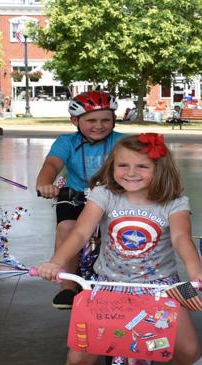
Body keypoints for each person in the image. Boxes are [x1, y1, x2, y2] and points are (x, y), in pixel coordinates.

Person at [32, 133, 202, 365]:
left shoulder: (174, 202)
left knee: (189, 353)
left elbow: (181, 239)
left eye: (142, 166)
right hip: (108, 285)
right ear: (112, 167)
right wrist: (56, 262)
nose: (131, 172)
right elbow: (80, 231)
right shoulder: (104, 194)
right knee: (79, 355)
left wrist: (196, 271)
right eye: (123, 165)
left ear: (160, 169)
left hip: (160, 289)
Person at [33, 90, 124, 309]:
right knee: (67, 227)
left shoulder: (123, 142)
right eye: (91, 120)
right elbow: (52, 165)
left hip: (113, 196)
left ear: (114, 120)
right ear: (75, 120)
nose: (99, 125)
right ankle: (67, 286)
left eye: (105, 120)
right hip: (74, 195)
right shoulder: (67, 142)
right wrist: (45, 183)